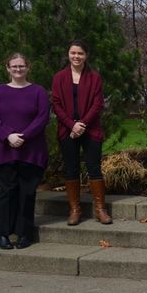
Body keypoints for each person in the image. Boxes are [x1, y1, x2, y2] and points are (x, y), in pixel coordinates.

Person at [0, 53, 50, 249]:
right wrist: (8, 135)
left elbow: (42, 117)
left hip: (31, 150)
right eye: (14, 66)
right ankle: (3, 233)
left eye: (21, 66)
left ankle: (24, 233)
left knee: (27, 193)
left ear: (28, 67)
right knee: (7, 192)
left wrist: (23, 136)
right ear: (7, 68)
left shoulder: (38, 91)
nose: (18, 70)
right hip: (3, 150)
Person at [51, 40, 111, 225]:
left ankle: (100, 209)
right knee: (71, 169)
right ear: (68, 54)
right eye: (73, 53)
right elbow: (56, 104)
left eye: (80, 53)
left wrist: (82, 124)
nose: (76, 56)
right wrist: (71, 125)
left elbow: (97, 104)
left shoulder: (94, 77)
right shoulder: (59, 77)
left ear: (86, 56)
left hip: (90, 129)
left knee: (94, 168)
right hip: (67, 130)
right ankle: (74, 209)